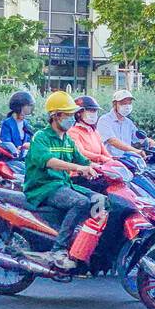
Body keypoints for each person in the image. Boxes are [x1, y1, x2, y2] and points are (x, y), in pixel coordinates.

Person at [23, 91, 99, 269]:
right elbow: (49, 162)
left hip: (64, 185)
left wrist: (99, 167)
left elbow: (83, 161)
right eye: (69, 115)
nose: (73, 118)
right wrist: (79, 169)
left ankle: (84, 249)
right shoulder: (40, 138)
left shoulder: (67, 139)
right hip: (43, 188)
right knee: (80, 202)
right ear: (56, 116)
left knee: (101, 201)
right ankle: (58, 250)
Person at [69, 96, 119, 171]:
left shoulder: (94, 131)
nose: (94, 113)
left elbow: (104, 151)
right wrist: (101, 158)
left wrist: (113, 161)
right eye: (90, 110)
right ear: (78, 113)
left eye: (95, 111)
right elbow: (80, 152)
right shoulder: (72, 131)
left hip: (100, 170)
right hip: (82, 172)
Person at [97, 90, 141, 156]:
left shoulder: (128, 122)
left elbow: (138, 137)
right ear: (114, 104)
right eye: (123, 103)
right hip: (110, 161)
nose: (127, 106)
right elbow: (112, 141)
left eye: (129, 103)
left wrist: (154, 144)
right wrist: (135, 151)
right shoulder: (104, 120)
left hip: (127, 160)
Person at [0, 90, 35, 157]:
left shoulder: (26, 123)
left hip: (23, 159)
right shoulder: (7, 123)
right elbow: (5, 142)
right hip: (11, 159)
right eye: (27, 106)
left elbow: (30, 140)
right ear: (18, 107)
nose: (26, 114)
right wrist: (14, 149)